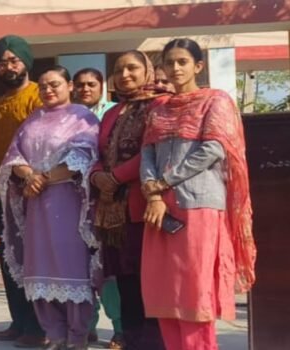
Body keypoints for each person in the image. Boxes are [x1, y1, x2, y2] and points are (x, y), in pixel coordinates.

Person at [140, 38, 256, 350]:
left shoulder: (214, 101)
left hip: (199, 206)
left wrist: (164, 182)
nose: (175, 68)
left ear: (198, 66)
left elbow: (213, 149)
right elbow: (147, 152)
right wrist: (152, 194)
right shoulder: (157, 108)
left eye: (183, 62)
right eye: (169, 62)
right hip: (159, 210)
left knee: (193, 293)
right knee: (162, 291)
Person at [0, 66, 100, 350]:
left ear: (69, 85)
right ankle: (54, 335)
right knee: (40, 266)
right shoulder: (32, 120)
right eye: (42, 86)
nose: (48, 90)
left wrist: (44, 178)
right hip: (36, 206)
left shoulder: (83, 117)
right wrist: (29, 175)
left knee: (70, 265)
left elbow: (83, 154)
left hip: (67, 201)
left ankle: (77, 336)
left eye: (54, 84)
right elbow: (12, 156)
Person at [91, 50, 171, 350]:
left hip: (146, 205)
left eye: (132, 68)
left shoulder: (160, 104)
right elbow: (97, 151)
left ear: (147, 70)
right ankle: (134, 340)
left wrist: (117, 176)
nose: (124, 74)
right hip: (113, 210)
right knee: (125, 282)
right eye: (119, 69)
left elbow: (155, 151)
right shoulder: (112, 111)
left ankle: (154, 344)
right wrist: (97, 175)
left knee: (149, 280)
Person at [0, 34, 48, 348]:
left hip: (34, 191)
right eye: (2, 62)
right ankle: (19, 320)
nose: (8, 67)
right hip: (2, 193)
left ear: (26, 62)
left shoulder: (39, 97)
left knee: (34, 258)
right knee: (9, 258)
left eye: (14, 60)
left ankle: (38, 326)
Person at [72, 67, 123, 347]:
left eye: (91, 84)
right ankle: (86, 325)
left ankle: (119, 328)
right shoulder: (68, 117)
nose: (85, 89)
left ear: (102, 86)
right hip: (75, 201)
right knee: (81, 267)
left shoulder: (115, 113)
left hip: (109, 197)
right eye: (80, 85)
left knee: (110, 267)